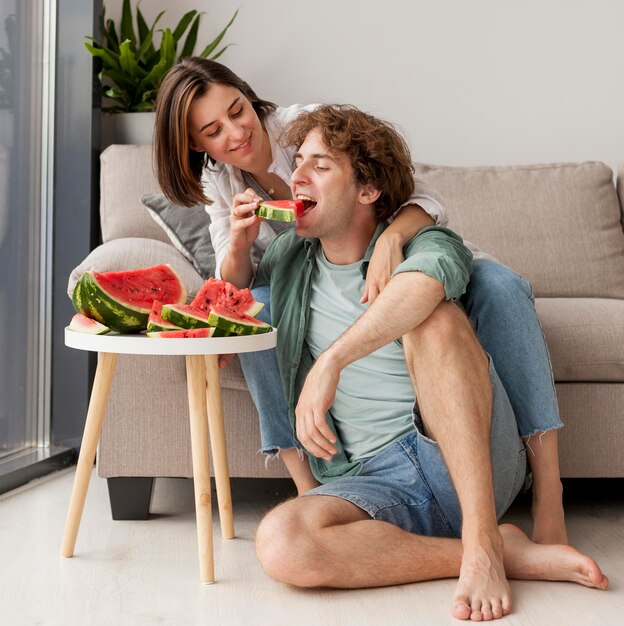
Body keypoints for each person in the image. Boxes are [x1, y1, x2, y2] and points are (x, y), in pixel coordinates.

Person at [154, 57, 566, 544]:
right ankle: (311, 487)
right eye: (213, 130)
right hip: (316, 266)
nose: (237, 132)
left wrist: (393, 239)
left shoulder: (304, 129)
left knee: (496, 288)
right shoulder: (219, 182)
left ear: (248, 95)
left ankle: (549, 497)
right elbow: (234, 275)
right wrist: (241, 245)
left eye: (238, 110)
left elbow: (421, 198)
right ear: (195, 144)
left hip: (405, 240)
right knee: (259, 306)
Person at [251, 104, 608, 621]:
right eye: (298, 161)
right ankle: (500, 552)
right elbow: (237, 309)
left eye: (320, 165)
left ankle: (483, 537)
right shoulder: (285, 256)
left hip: (464, 457)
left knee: (435, 320)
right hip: (369, 477)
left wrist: (331, 362)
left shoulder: (426, 240)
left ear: (368, 190)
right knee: (281, 542)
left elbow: (424, 286)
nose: (296, 176)